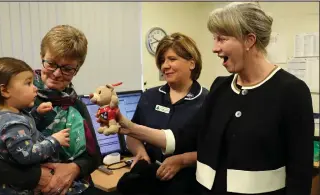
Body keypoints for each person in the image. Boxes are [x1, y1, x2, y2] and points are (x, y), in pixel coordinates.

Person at [115, 2, 314, 195]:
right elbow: (184, 137)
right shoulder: (221, 87)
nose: (214, 48)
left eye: (221, 39)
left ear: (249, 40)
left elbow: (300, 175)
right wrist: (127, 126)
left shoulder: (291, 92)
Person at [0, 25, 102, 195]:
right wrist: (34, 177)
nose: (57, 74)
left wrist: (74, 168)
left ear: (77, 70)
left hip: (71, 184)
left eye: (67, 69)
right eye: (51, 64)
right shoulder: (16, 96)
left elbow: (94, 156)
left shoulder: (74, 103)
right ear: (42, 57)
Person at [116, 32, 209, 195]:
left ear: (192, 63)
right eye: (162, 60)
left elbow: (214, 151)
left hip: (188, 183)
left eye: (172, 59)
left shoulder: (207, 101)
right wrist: (140, 152)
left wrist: (181, 161)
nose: (164, 66)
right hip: (150, 177)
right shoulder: (149, 97)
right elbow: (132, 134)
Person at [0, 57, 74, 194]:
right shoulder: (11, 124)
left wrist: (37, 114)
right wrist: (54, 141)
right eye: (28, 83)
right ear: (5, 91)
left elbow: (24, 131)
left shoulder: (0, 115)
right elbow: (27, 154)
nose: (35, 88)